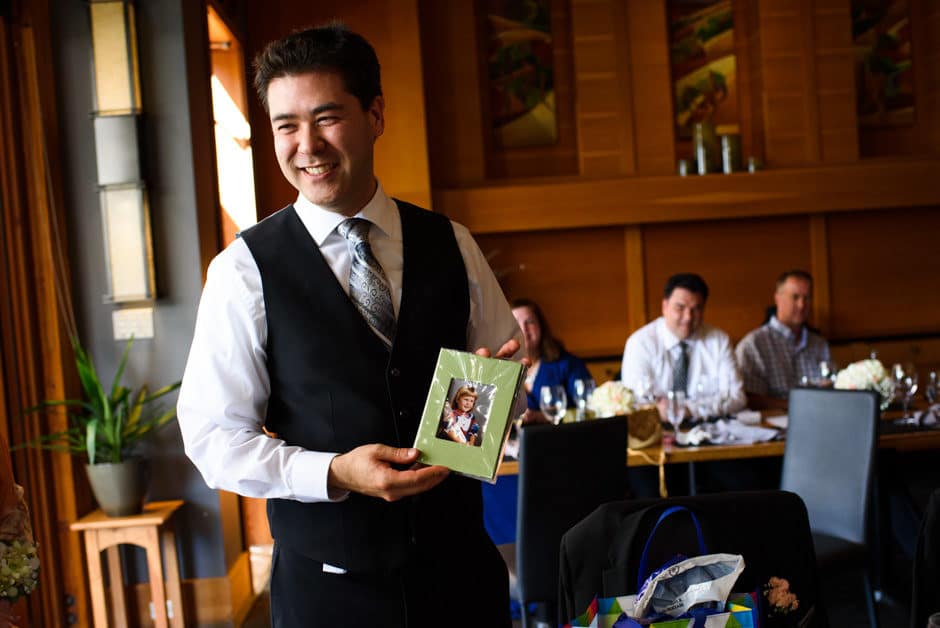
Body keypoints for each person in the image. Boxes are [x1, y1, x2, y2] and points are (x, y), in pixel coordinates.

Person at [177, 24, 521, 627]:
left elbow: (500, 387)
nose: (307, 145)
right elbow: (213, 439)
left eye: (326, 118)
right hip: (329, 595)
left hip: (460, 578)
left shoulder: (451, 244)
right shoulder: (242, 271)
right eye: (286, 125)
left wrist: (488, 406)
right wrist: (332, 472)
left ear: (375, 114)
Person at [620, 273, 746, 417]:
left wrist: (687, 410)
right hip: (658, 431)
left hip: (711, 429)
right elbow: (636, 403)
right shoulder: (640, 343)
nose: (688, 317)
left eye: (696, 309)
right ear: (664, 306)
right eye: (680, 308)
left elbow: (737, 398)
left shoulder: (719, 341)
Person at [735, 270, 830, 409]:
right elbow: (748, 399)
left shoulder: (820, 344)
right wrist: (797, 406)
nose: (802, 305)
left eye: (807, 298)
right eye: (795, 297)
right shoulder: (753, 345)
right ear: (777, 298)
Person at [512, 297, 593, 424]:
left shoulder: (569, 364)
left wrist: (543, 417)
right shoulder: (503, 369)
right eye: (516, 323)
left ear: (541, 326)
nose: (523, 329)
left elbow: (590, 412)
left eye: (530, 322)